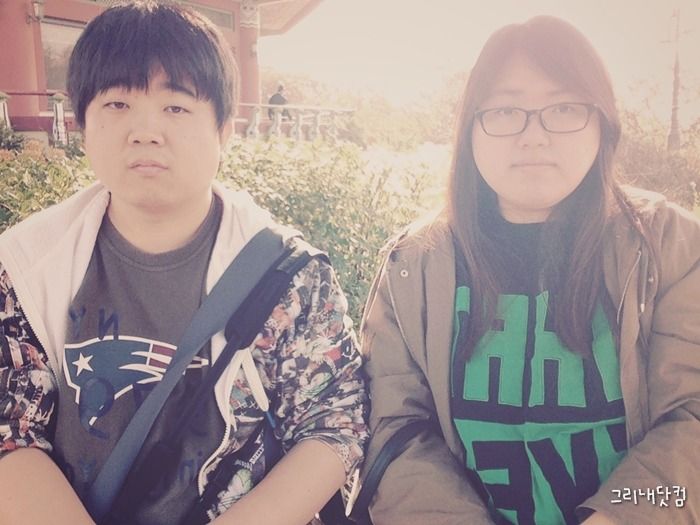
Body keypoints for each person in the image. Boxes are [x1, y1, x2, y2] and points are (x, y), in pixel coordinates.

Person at [0, 2, 367, 524]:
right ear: (82, 125)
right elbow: (11, 429)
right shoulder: (25, 267)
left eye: (175, 107)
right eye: (117, 104)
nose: (145, 131)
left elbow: (333, 423)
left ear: (224, 130)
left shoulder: (288, 273)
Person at [360, 15, 699, 525]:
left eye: (564, 108)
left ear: (602, 123)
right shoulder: (414, 266)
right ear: (470, 129)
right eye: (505, 110)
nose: (533, 136)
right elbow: (396, 429)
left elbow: (691, 422)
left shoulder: (671, 247)